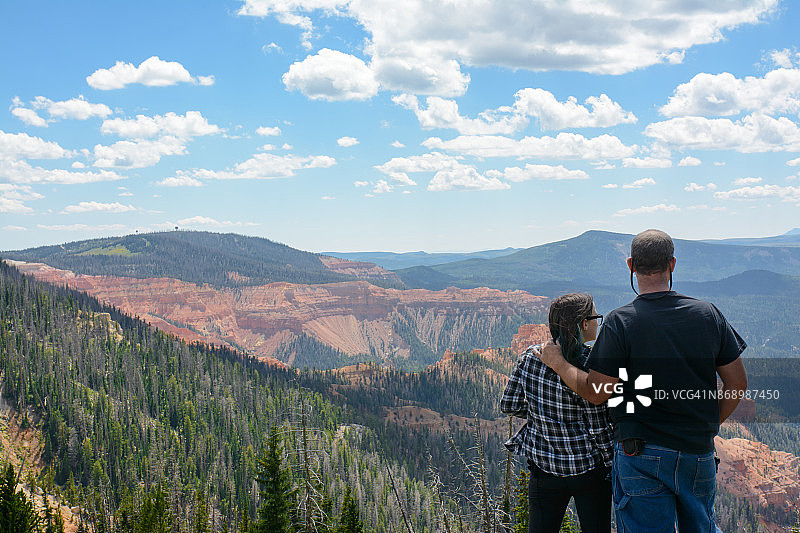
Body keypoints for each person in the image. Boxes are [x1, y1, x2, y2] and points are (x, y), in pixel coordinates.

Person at [535, 229, 748, 533]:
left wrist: (557, 362)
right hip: (696, 452)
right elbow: (737, 383)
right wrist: (709, 424)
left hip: (641, 454)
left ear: (631, 265)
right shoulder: (707, 314)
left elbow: (597, 392)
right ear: (672, 264)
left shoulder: (621, 322)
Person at [501, 293, 614, 533]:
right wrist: (610, 462)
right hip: (589, 471)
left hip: (545, 470)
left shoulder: (530, 358)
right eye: (595, 317)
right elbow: (597, 426)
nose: (597, 322)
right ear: (584, 324)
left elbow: (509, 404)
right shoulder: (592, 365)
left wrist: (541, 414)